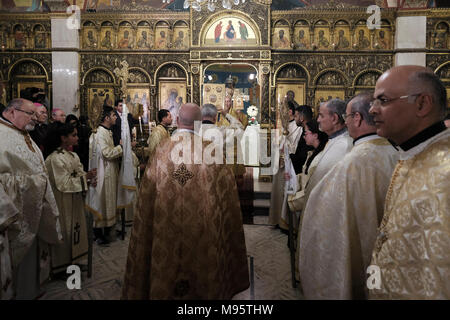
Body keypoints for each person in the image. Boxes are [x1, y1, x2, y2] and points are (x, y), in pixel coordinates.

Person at [121, 103, 249, 299]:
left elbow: (146, 197)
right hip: (203, 233)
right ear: (198, 124)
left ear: (178, 121)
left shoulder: (161, 151)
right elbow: (227, 197)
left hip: (165, 231)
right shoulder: (212, 152)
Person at [298, 92, 399, 299]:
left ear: (358, 118)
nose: (346, 122)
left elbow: (323, 217)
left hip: (361, 252)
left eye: (347, 117)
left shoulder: (351, 163)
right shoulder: (396, 153)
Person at [368, 65, 449, 299]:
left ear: (422, 104)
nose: (372, 109)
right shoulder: (412, 154)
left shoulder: (445, 170)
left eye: (382, 100)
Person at [0, 98, 61, 300]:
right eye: (30, 114)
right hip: (14, 217)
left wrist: (38, 185)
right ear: (11, 112)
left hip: (34, 210)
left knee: (30, 264)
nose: (35, 119)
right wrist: (34, 185)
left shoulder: (24, 134)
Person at [44, 123, 97, 275]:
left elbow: (80, 173)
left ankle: (74, 260)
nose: (77, 137)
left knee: (75, 229)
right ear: (63, 138)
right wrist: (84, 178)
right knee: (65, 230)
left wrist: (89, 178)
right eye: (73, 135)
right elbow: (62, 184)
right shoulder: (54, 159)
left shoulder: (73, 155)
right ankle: (61, 265)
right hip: (62, 201)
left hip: (74, 200)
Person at [86, 106, 123, 246]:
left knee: (109, 200)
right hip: (102, 172)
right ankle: (98, 233)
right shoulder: (99, 133)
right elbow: (107, 153)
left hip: (109, 170)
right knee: (101, 199)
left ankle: (108, 229)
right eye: (114, 115)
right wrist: (122, 147)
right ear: (106, 118)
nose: (115, 118)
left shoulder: (107, 131)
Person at [269, 100, 303, 231]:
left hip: (290, 164)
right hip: (280, 163)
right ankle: (277, 219)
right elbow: (276, 144)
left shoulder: (297, 127)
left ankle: (287, 223)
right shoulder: (282, 125)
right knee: (278, 190)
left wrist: (285, 144)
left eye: (282, 110)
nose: (280, 113)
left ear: (290, 111)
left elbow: (296, 147)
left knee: (287, 191)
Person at [290, 105, 314, 174]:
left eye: (296, 116)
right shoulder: (304, 129)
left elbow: (303, 156)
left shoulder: (310, 132)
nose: (294, 119)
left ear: (302, 118)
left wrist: (289, 157)